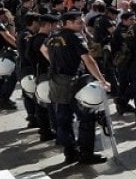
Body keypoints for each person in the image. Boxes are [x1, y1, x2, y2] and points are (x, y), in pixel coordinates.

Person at [42, 10, 110, 164]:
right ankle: (86, 154)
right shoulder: (75, 37)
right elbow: (88, 60)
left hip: (56, 80)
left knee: (63, 119)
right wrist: (102, 79)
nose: (82, 25)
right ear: (68, 23)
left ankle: (70, 153)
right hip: (72, 81)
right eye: (79, 22)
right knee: (86, 117)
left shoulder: (53, 36)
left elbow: (43, 49)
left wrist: (56, 63)